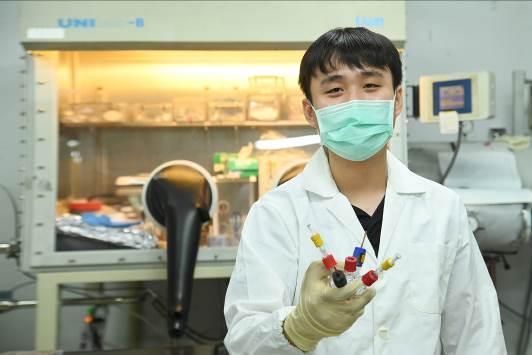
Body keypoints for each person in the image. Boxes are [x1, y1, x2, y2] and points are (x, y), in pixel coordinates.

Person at [224, 27, 506, 354]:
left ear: (397, 100)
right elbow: (244, 340)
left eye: (371, 86)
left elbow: (477, 334)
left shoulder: (442, 208)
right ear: (309, 112)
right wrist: (299, 327)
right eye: (335, 90)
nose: (355, 102)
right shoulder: (276, 214)